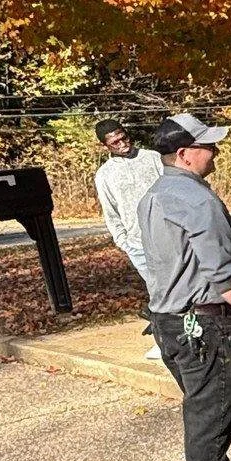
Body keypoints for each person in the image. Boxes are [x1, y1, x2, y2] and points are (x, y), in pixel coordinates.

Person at [137, 113, 231, 461]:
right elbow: (220, 267)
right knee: (218, 404)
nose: (215, 152)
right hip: (204, 322)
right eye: (207, 146)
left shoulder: (153, 195)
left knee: (207, 401)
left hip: (168, 320)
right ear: (184, 153)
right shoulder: (196, 200)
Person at [94, 118, 165, 360]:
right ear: (106, 146)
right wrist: (122, 241)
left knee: (178, 285)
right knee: (157, 291)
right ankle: (163, 339)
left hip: (166, 236)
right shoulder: (105, 175)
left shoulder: (153, 158)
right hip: (137, 243)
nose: (122, 143)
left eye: (123, 137)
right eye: (115, 142)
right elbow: (110, 212)